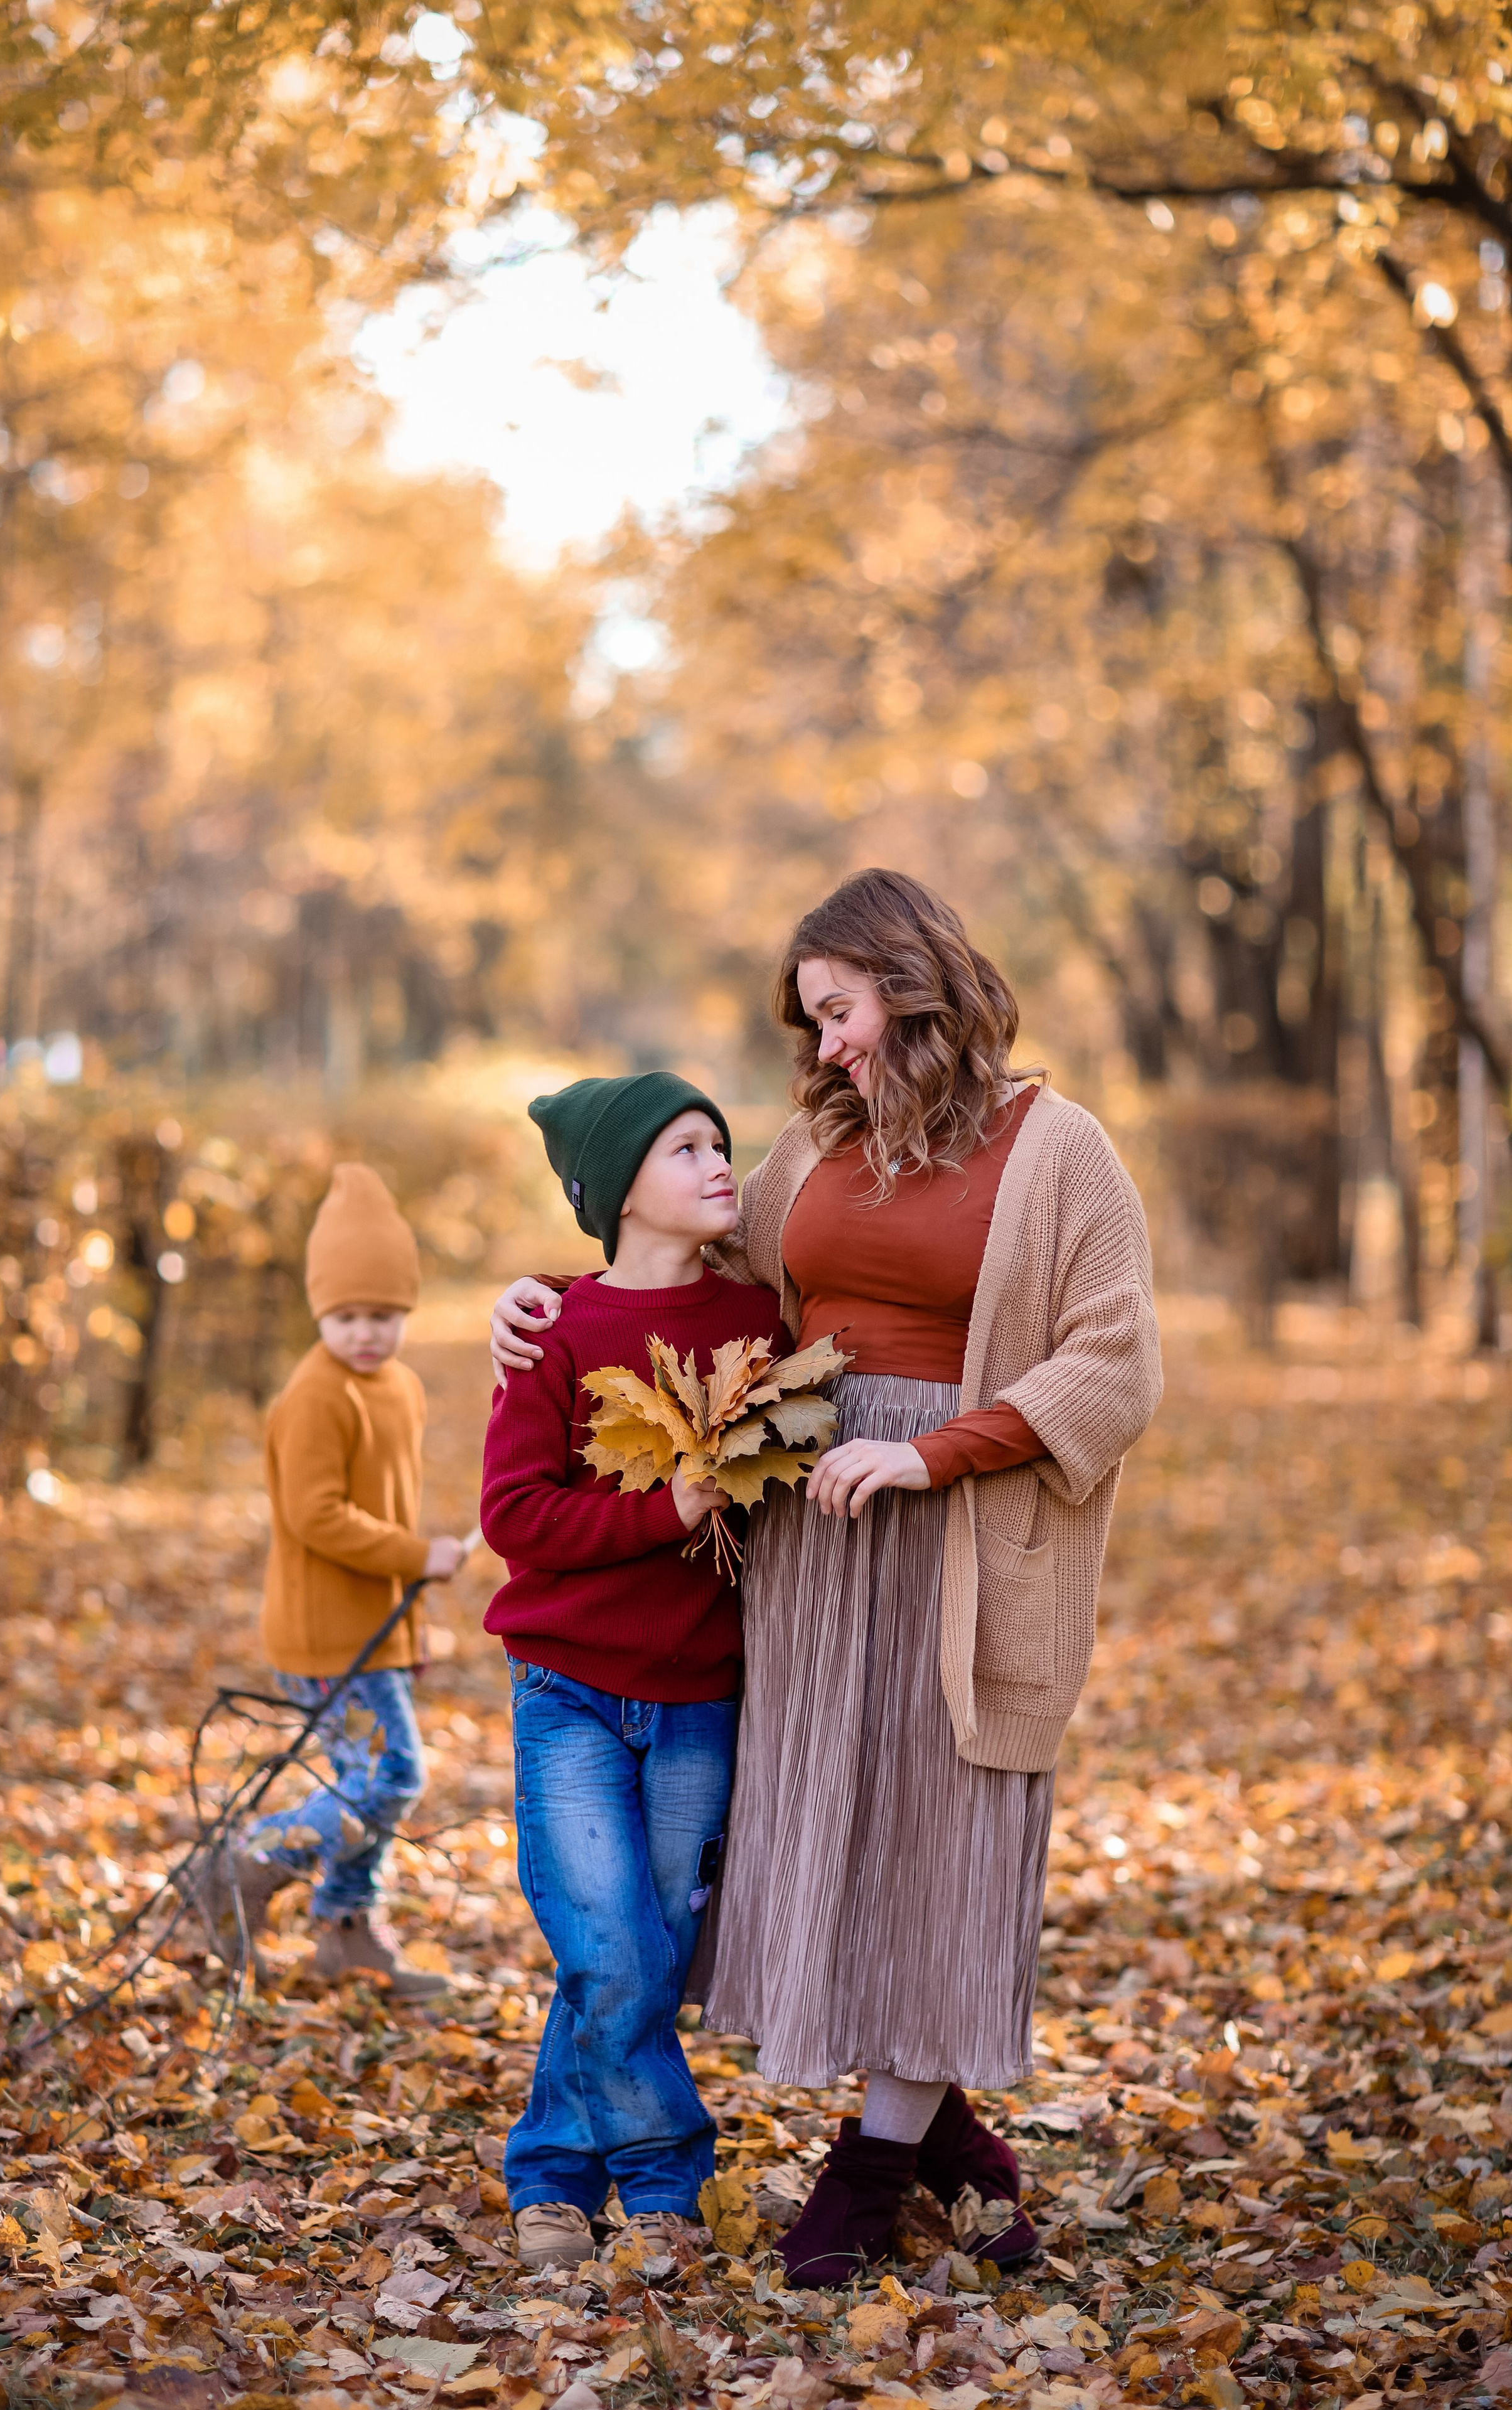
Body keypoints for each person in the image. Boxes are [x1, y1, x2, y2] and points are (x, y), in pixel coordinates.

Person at [489, 870, 1162, 2284]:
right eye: (814, 1023)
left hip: (959, 1536)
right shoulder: (816, 1143)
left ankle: (864, 2175)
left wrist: (935, 1457)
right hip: (804, 1540)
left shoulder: (1059, 1150)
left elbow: (1112, 1364)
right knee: (837, 1841)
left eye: (842, 1012)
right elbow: (674, 1254)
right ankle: (947, 2143)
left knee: (944, 1842)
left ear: (913, 987)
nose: (830, 1045)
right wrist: (538, 1298)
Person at [480, 1071, 788, 2274]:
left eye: (723, 1140)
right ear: (617, 1192)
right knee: (610, 1946)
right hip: (566, 1692)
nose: (720, 1165)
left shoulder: (759, 1324)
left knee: (648, 1944)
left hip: (700, 1696)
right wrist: (670, 1509)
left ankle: (553, 2170)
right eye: (686, 1150)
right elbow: (516, 1516)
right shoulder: (553, 1331)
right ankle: (663, 2184)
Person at [198, 1164, 466, 1999]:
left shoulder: (400, 1388)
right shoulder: (314, 1396)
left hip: (373, 1631)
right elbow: (318, 1516)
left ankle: (348, 1932)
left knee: (376, 1778)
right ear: (320, 1312)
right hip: (325, 1633)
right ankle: (245, 1863)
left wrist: (409, 1634)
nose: (366, 1334)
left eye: (384, 1316)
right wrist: (418, 1557)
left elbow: (386, 1499)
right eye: (347, 1317)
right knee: (389, 1778)